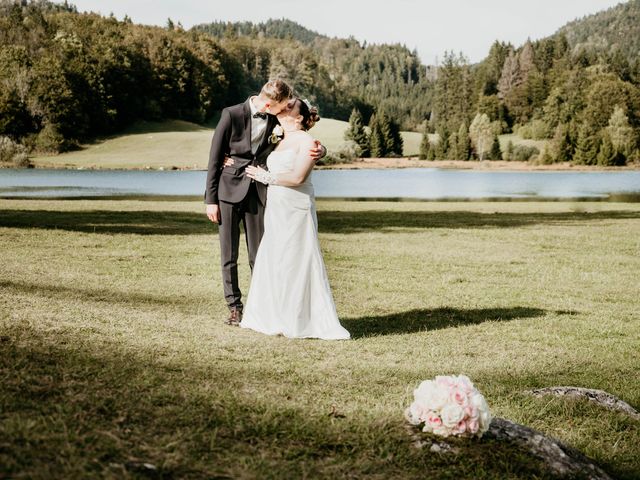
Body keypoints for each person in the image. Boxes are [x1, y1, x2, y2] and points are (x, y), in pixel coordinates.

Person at [204, 79, 325, 326]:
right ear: (270, 103)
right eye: (281, 107)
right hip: (227, 192)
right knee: (228, 254)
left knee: (259, 253)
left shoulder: (275, 118)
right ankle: (235, 307)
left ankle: (264, 307)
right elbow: (215, 159)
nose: (284, 110)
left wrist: (322, 150)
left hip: (259, 192)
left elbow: (301, 136)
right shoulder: (231, 114)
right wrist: (211, 200)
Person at [240, 98, 351, 340]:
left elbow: (298, 178)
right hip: (277, 206)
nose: (284, 106)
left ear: (299, 117)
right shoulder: (278, 137)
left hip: (296, 206)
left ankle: (299, 319)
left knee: (296, 257)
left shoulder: (308, 141)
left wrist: (265, 176)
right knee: (276, 256)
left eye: (290, 106)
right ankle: (273, 315)